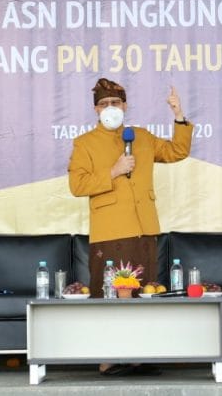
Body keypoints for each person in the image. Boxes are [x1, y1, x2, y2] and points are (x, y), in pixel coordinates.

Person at [68, 77, 194, 376]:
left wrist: (179, 115)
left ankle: (140, 355)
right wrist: (113, 171)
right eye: (104, 104)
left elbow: (177, 151)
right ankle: (108, 357)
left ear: (125, 106)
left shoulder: (142, 137)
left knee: (145, 291)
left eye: (116, 102)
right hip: (110, 230)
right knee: (109, 293)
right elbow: (77, 185)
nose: (110, 107)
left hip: (145, 228)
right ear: (96, 109)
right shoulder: (85, 143)